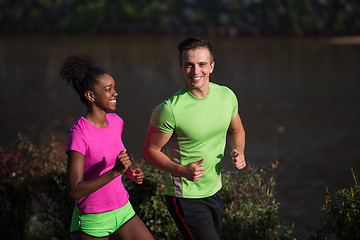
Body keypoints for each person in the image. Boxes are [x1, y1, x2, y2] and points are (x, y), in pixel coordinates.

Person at [143, 37, 246, 240]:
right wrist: (181, 170)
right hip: (185, 196)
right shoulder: (169, 109)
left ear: (212, 66)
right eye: (189, 65)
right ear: (181, 67)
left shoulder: (226, 96)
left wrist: (239, 151)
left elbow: (236, 131)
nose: (195, 71)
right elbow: (149, 152)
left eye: (201, 64)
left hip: (214, 189)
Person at [60, 55, 154, 240]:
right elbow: (74, 190)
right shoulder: (79, 135)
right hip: (93, 219)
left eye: (114, 88)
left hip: (123, 210)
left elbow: (116, 158)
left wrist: (130, 171)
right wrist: (115, 173)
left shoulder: (116, 122)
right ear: (90, 95)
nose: (115, 93)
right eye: (108, 89)